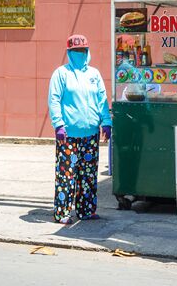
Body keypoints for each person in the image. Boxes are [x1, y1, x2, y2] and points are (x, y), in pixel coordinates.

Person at [48, 34, 112, 224]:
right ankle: (63, 213)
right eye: (76, 51)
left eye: (83, 50)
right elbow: (54, 100)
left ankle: (86, 210)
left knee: (89, 175)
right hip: (68, 135)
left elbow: (102, 99)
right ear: (69, 52)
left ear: (88, 52)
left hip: (90, 134)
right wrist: (58, 124)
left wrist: (106, 121)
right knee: (66, 176)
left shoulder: (94, 74)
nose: (80, 54)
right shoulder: (61, 74)